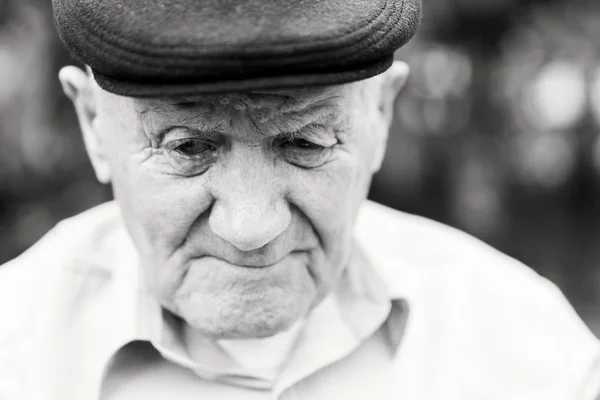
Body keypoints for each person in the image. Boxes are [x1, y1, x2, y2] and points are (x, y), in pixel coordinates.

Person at [1, 0, 599, 399]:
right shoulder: (15, 348)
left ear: (382, 114)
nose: (251, 226)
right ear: (91, 124)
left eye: (306, 142)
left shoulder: (532, 354)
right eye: (187, 147)